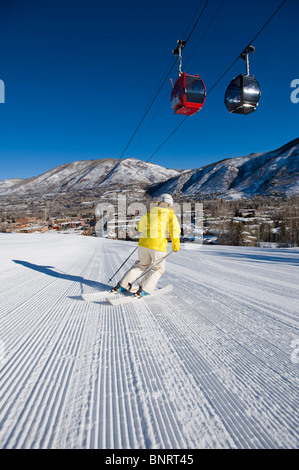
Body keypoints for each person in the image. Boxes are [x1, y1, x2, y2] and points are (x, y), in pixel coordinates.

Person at [111, 193, 180, 298]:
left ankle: (121, 286)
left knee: (140, 266)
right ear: (170, 204)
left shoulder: (150, 213)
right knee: (158, 268)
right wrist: (176, 245)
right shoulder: (170, 215)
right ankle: (144, 289)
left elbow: (139, 227)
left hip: (143, 243)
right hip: (158, 245)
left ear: (158, 202)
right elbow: (174, 231)